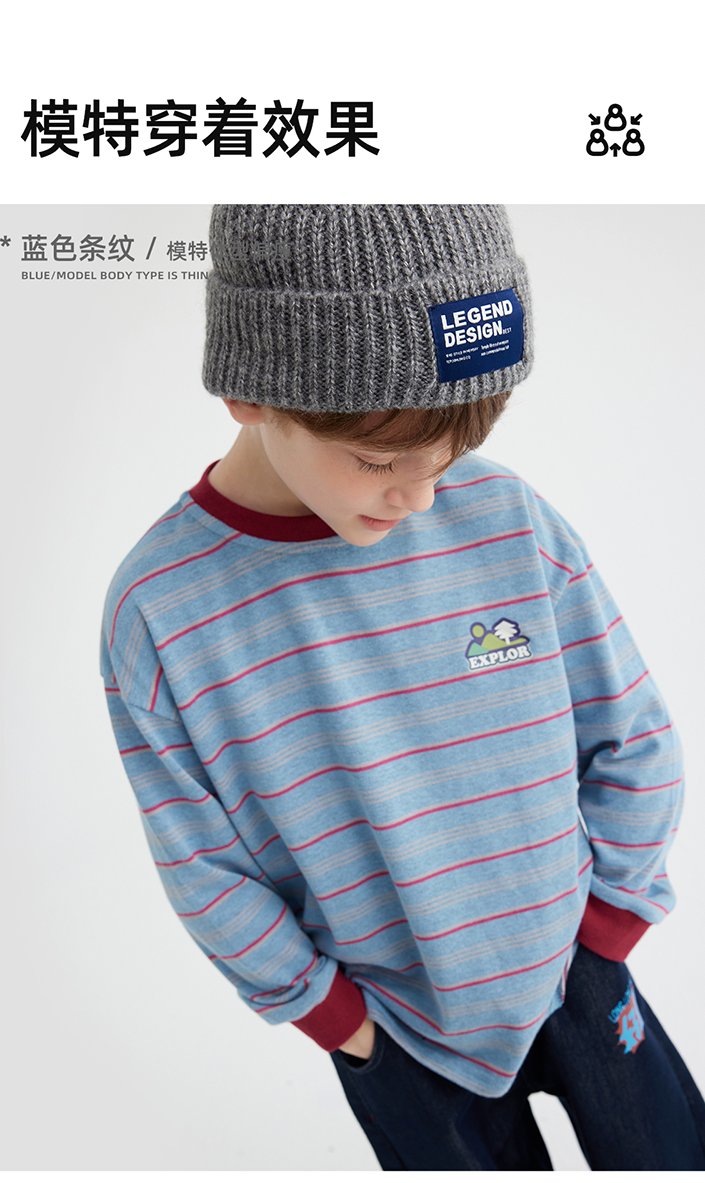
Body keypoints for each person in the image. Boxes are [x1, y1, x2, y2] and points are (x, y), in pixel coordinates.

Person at [101, 205, 705, 1170]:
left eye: (447, 459)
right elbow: (202, 864)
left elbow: (631, 730)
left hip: (579, 965)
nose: (420, 497)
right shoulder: (165, 610)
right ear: (250, 392)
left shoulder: (504, 517)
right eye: (381, 461)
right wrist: (337, 1019)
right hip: (392, 1026)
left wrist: (608, 923)